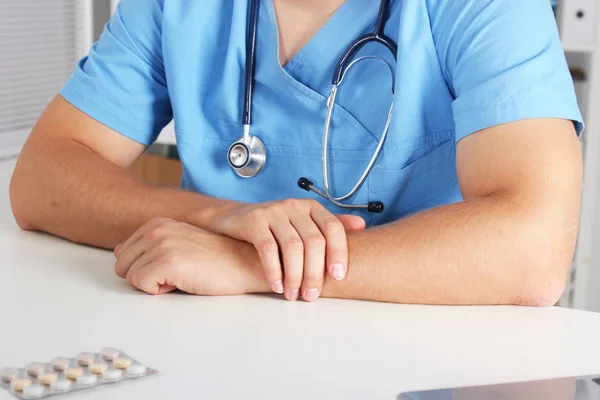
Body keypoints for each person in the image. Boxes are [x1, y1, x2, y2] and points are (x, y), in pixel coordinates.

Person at [9, 0, 583, 305]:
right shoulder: (176, 7)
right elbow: (41, 176)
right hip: (215, 347)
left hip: (427, 352)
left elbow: (534, 251)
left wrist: (255, 263)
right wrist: (222, 219)